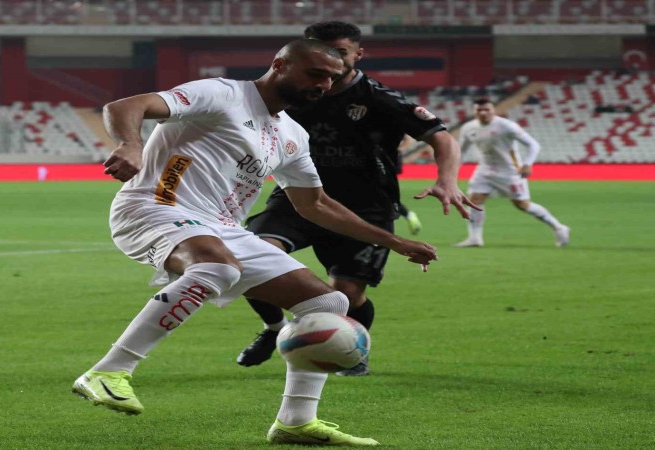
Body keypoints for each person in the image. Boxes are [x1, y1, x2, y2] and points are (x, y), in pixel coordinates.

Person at [71, 38, 442, 446]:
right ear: (280, 65)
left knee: (328, 303)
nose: (323, 85)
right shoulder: (222, 94)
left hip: (221, 226)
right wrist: (131, 143)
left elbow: (315, 204)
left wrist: (394, 242)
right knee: (217, 267)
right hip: (156, 205)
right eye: (315, 74)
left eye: (331, 78)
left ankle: (295, 421)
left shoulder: (292, 134)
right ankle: (109, 370)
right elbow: (125, 106)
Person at [236, 21, 477, 376]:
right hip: (298, 198)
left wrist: (447, 180)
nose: (328, 61)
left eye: (339, 53)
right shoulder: (292, 92)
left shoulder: (379, 98)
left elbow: (441, 137)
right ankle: (274, 329)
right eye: (319, 53)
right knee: (250, 259)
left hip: (367, 207)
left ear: (359, 54)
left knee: (346, 295)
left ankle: (353, 349)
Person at [454, 98, 570, 248]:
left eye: (487, 109)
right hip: (485, 169)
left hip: (510, 170)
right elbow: (461, 152)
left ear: (493, 110)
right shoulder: (468, 128)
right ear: (474, 112)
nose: (483, 113)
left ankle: (559, 227)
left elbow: (533, 145)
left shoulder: (506, 125)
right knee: (474, 200)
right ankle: (475, 238)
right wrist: (453, 170)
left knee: (522, 204)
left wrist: (527, 164)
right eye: (479, 110)